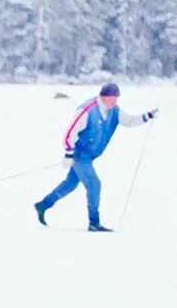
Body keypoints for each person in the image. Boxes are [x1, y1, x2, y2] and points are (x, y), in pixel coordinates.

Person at [34, 82, 157, 232]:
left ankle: (43, 205)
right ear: (104, 97)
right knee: (94, 184)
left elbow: (128, 121)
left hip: (90, 156)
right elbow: (70, 132)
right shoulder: (87, 110)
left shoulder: (114, 111)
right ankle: (94, 222)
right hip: (80, 155)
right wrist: (68, 154)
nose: (115, 101)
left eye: (117, 98)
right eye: (113, 98)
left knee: (70, 184)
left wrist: (147, 116)